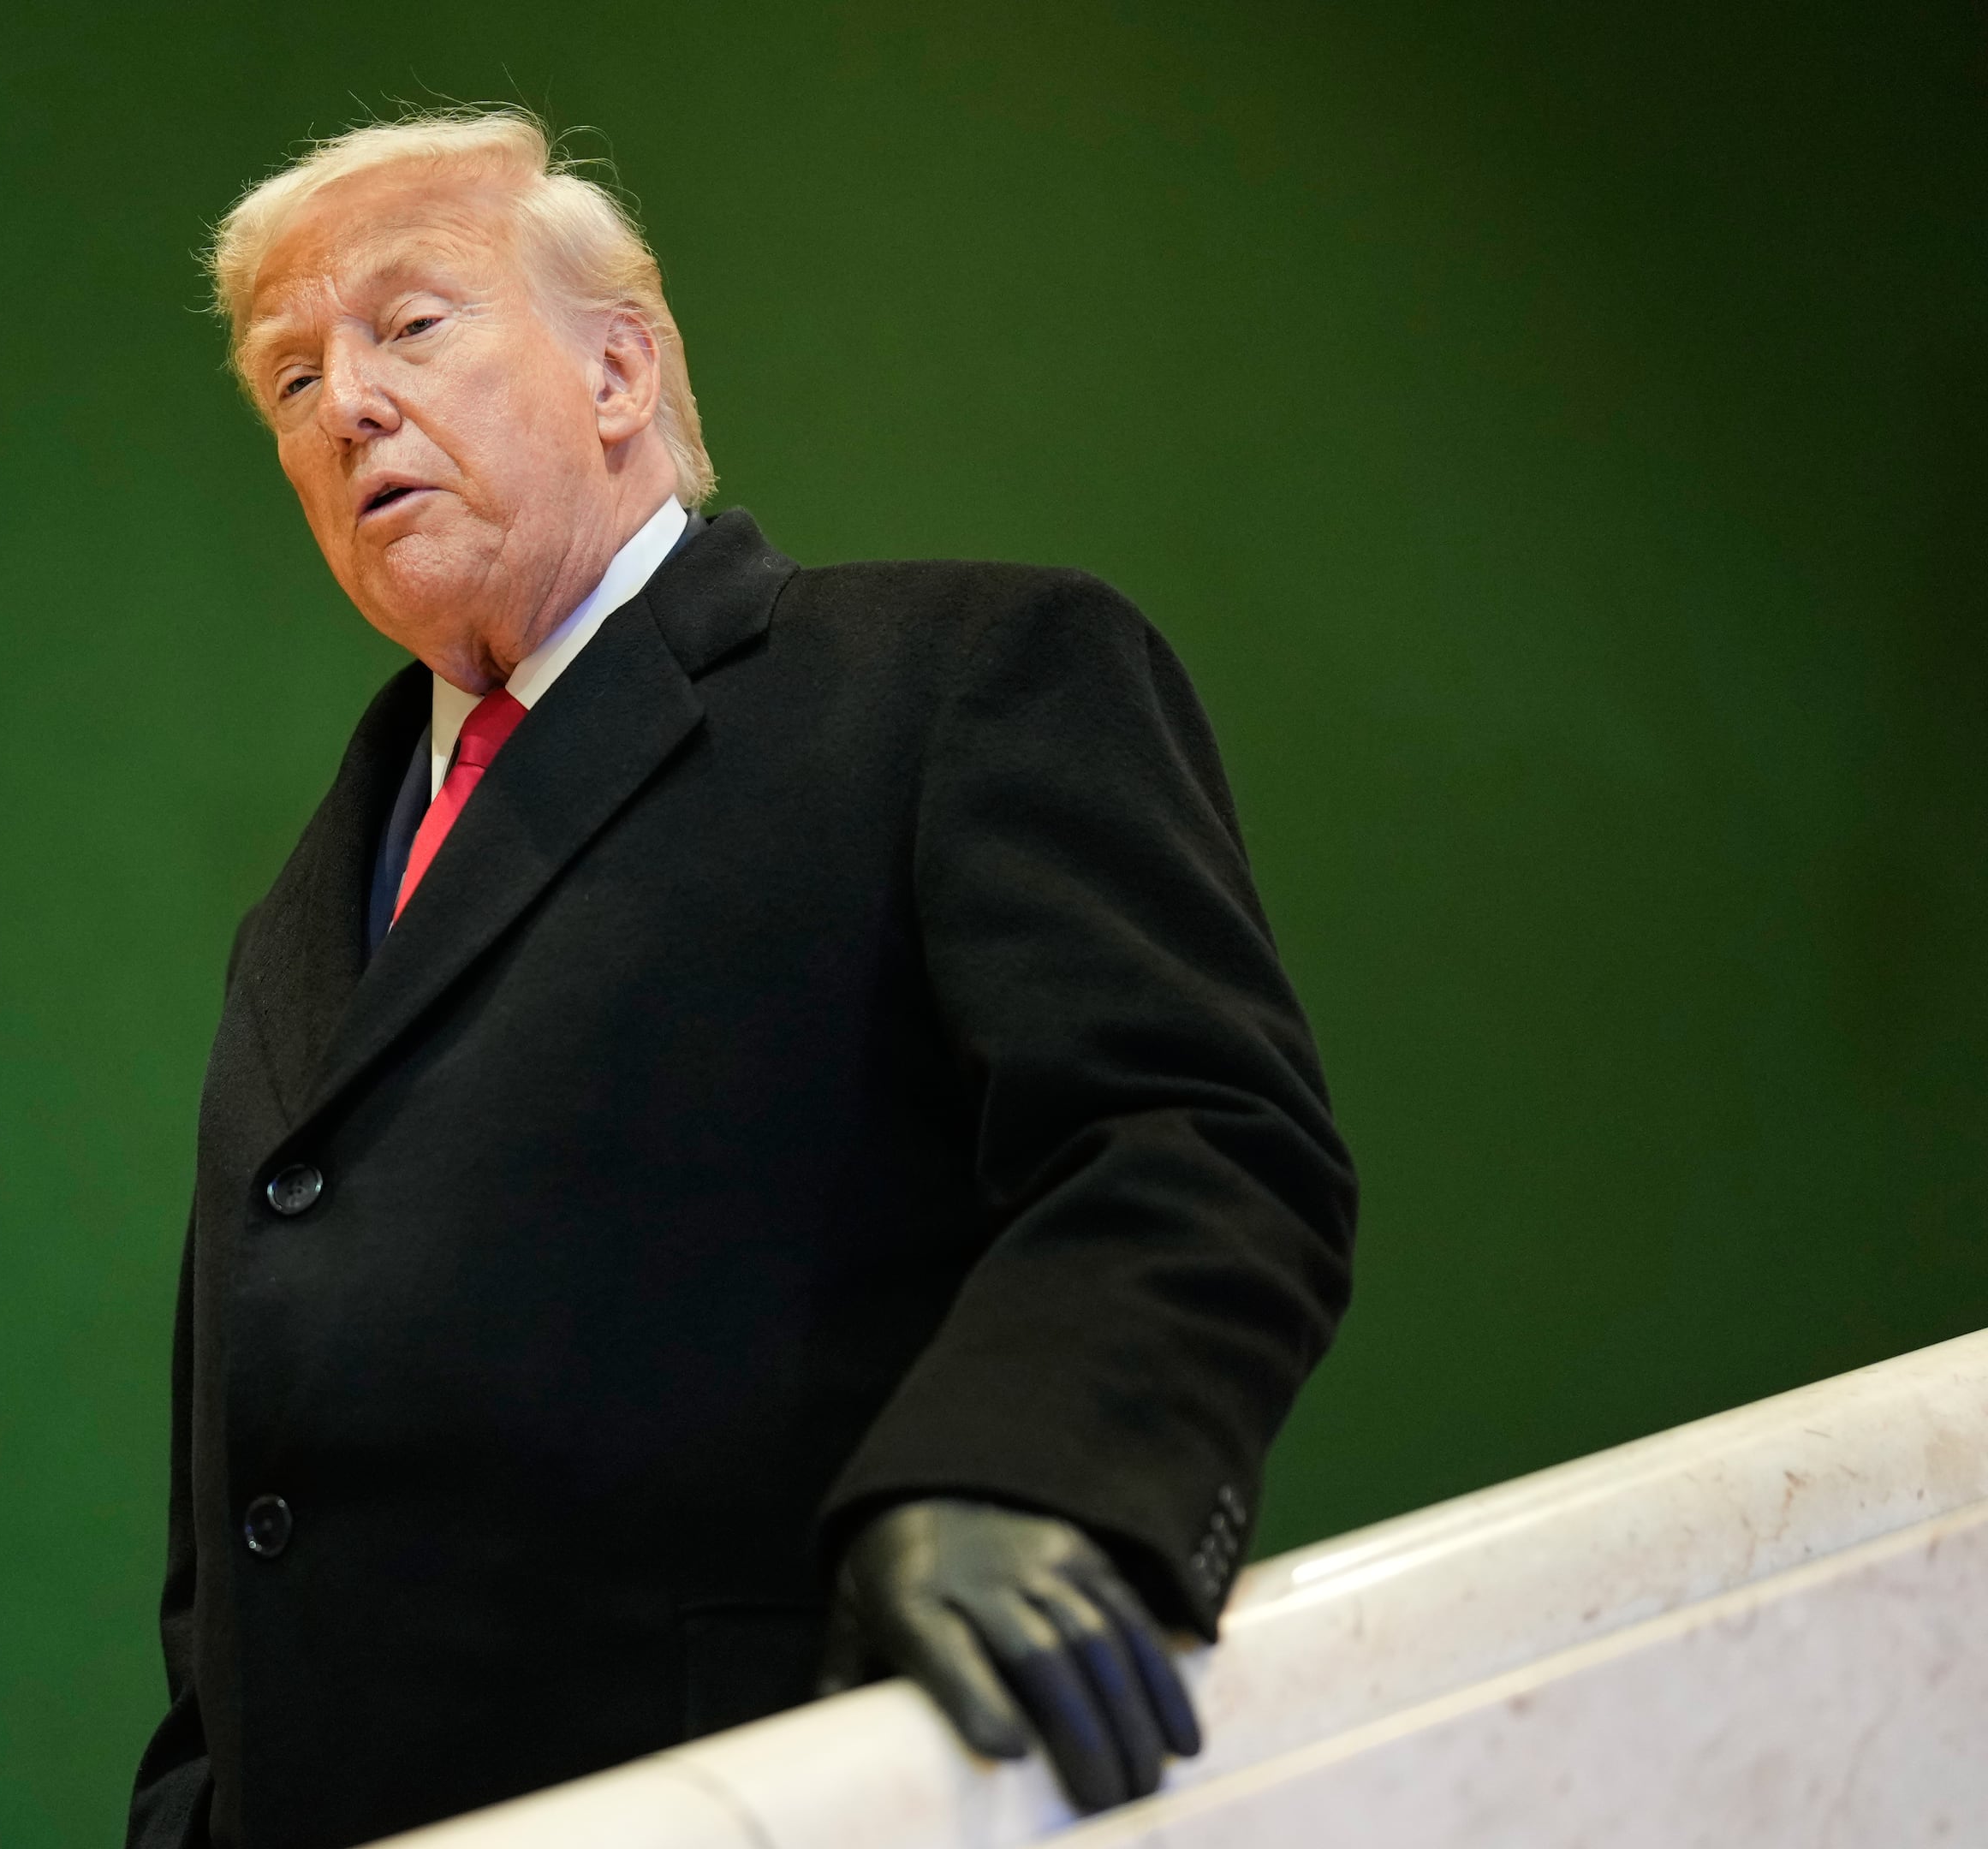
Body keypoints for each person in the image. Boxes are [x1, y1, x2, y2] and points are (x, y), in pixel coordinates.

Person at [128, 106, 1354, 1849]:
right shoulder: (306, 909)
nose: (346, 407)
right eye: (289, 382)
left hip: (781, 1791)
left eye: (409, 325)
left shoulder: (951, 682)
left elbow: (1197, 1144)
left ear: (620, 371)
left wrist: (1036, 1472)